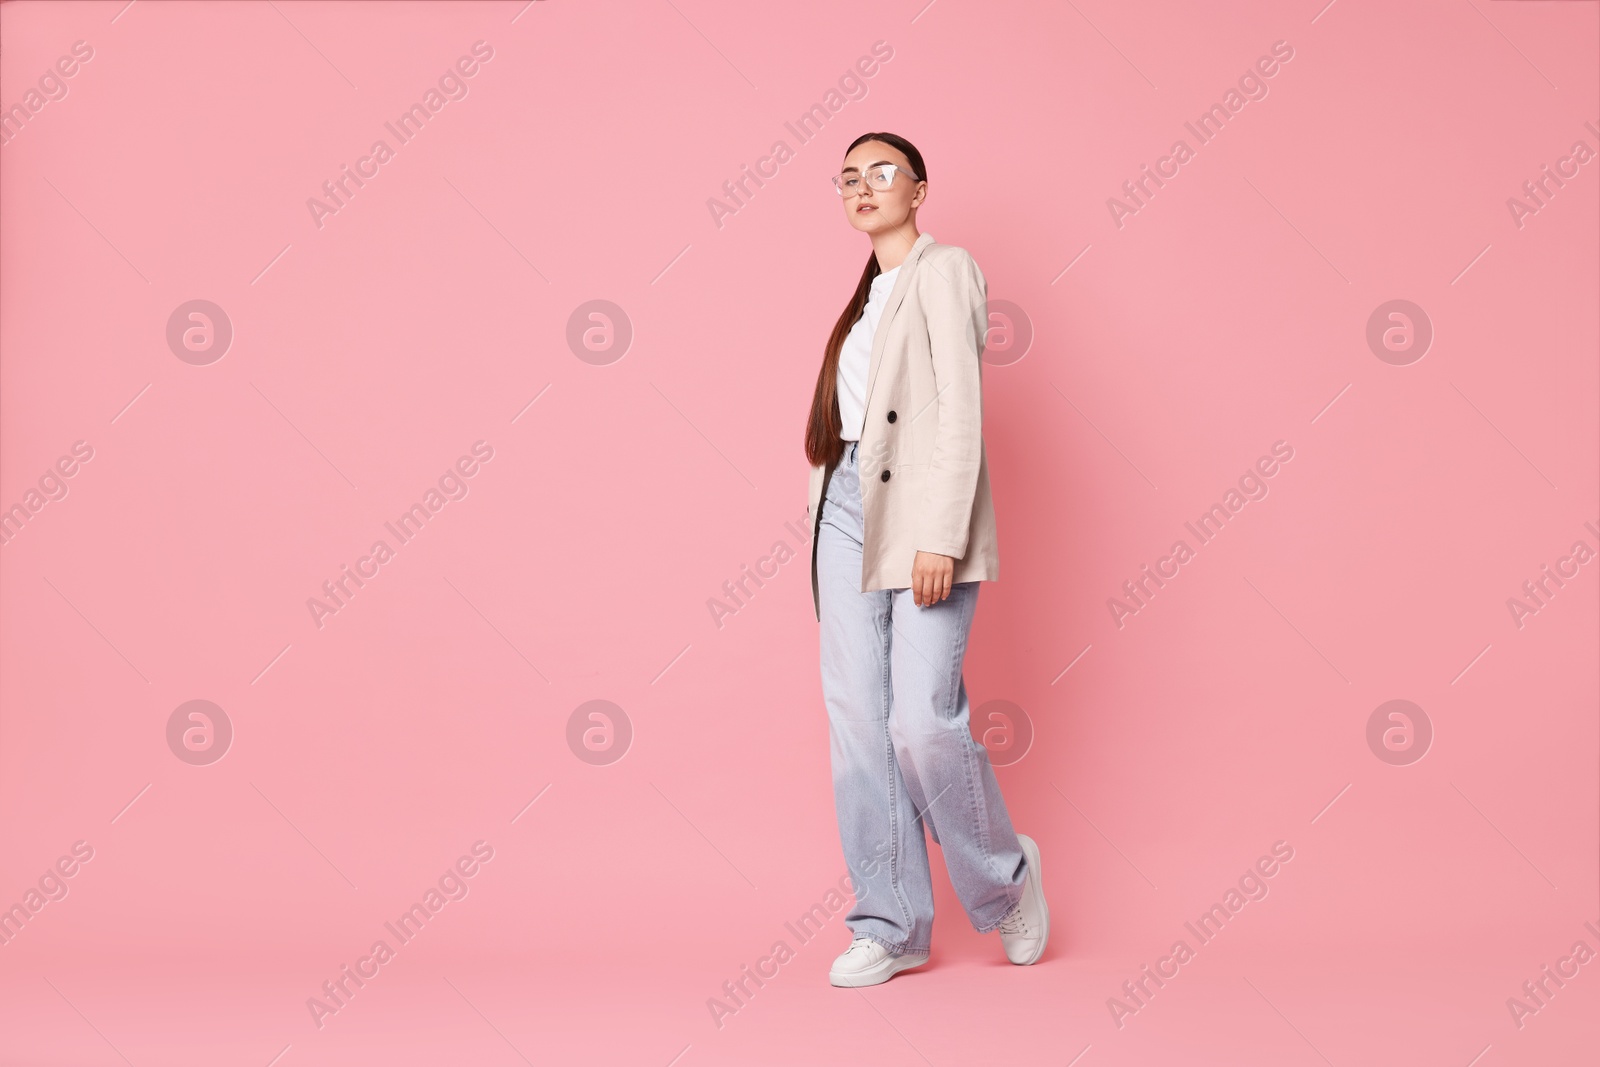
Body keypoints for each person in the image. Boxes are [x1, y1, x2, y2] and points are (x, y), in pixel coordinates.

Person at [803, 131, 1048, 988]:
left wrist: (939, 534)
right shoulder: (867, 298)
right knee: (858, 732)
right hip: (841, 507)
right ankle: (893, 922)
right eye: (847, 180)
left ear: (919, 189)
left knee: (920, 722)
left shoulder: (945, 271)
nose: (862, 188)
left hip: (918, 516)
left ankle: (1005, 879)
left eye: (881, 174)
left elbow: (959, 410)